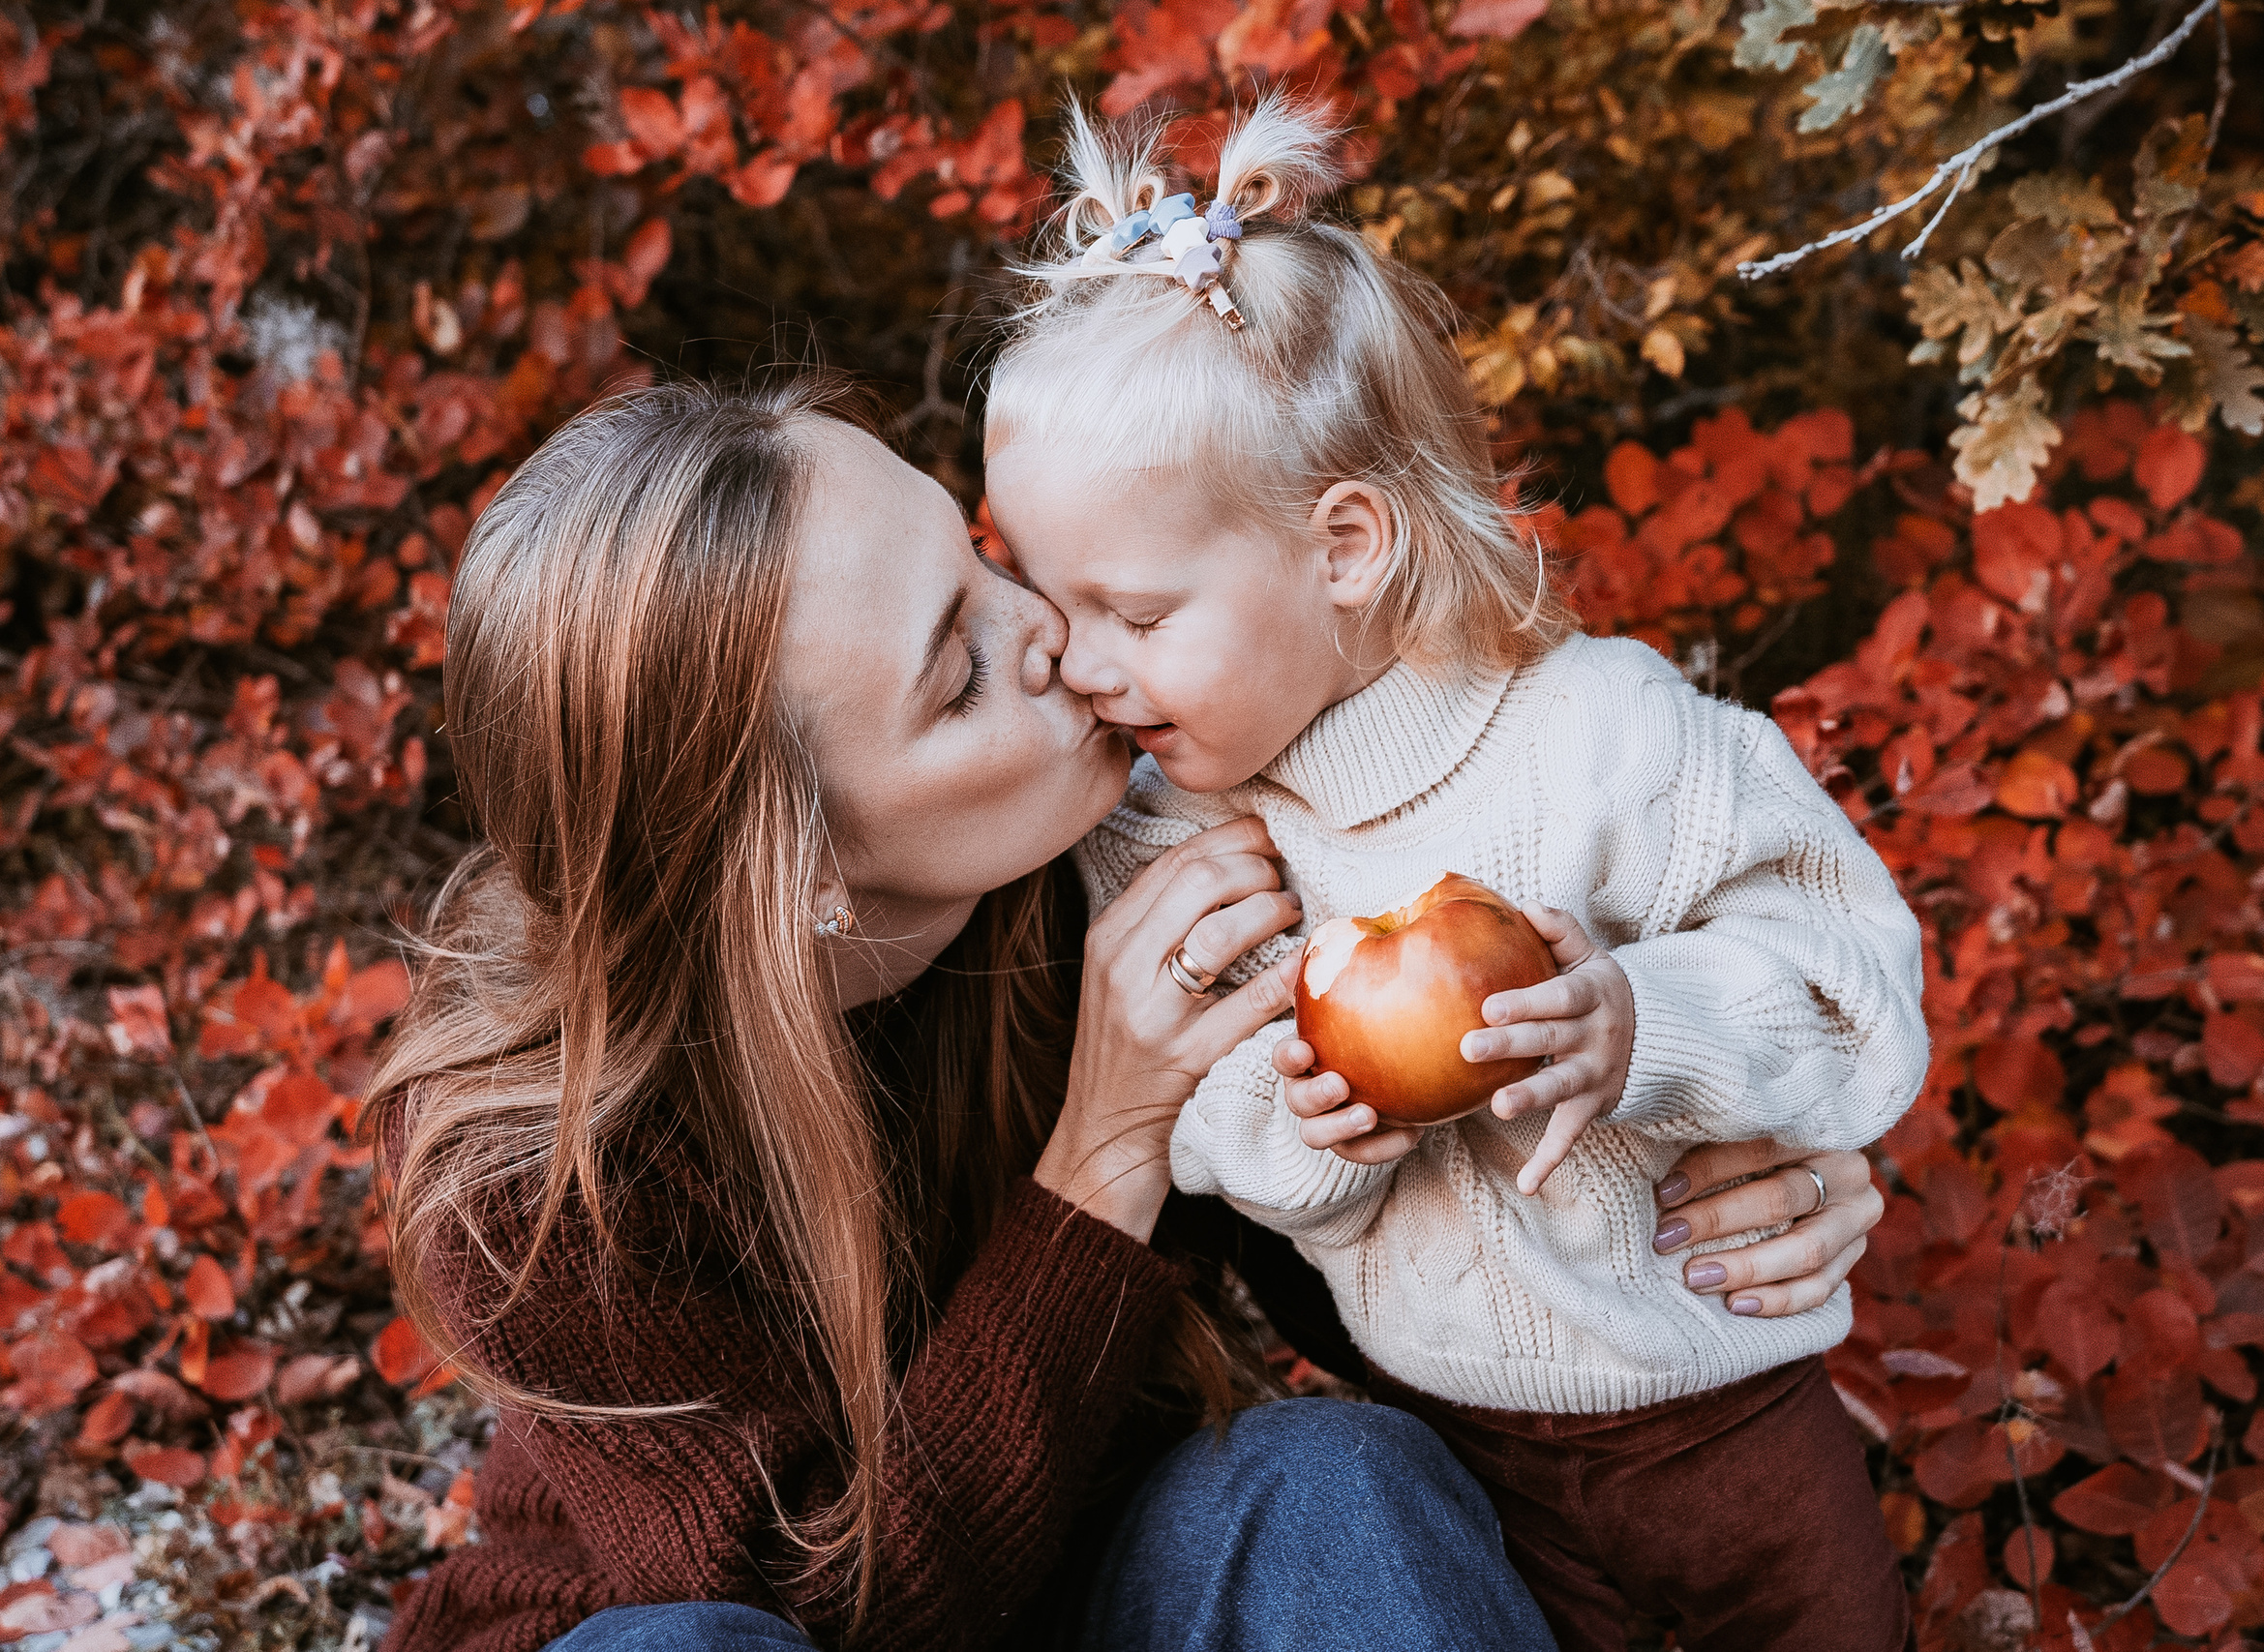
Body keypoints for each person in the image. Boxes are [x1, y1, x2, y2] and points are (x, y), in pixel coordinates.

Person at [369, 374, 1889, 1652]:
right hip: (729, 1631)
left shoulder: (1126, 868)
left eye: (976, 559)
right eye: (959, 674)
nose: (1043, 630)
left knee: (1328, 1485)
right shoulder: (531, 1166)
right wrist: (1107, 1149)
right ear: (802, 871)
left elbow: (1383, 1262)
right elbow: (796, 1609)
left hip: (1108, 1595)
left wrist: (1710, 1142)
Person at [981, 98, 1929, 1652]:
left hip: (1723, 1411)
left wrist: (1644, 1024)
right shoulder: (1171, 836)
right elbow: (1203, 1126)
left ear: (1342, 545)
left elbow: (1849, 974)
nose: (1079, 665)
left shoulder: (1603, 738)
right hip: (1452, 1445)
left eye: (1136, 615)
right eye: (1046, 597)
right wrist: (1316, 1116)